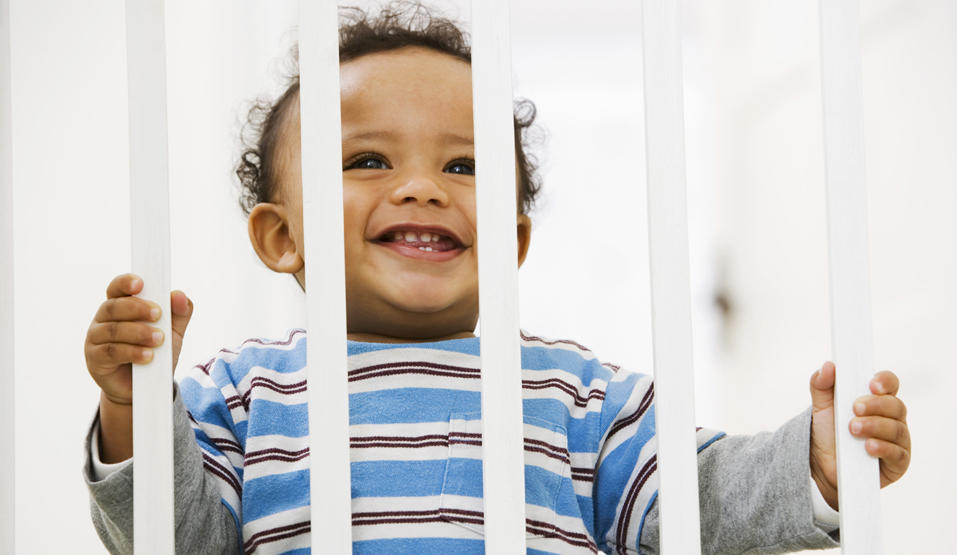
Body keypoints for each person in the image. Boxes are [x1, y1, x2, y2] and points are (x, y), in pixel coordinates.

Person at [82, 4, 911, 554]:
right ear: (281, 235)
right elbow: (173, 537)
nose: (423, 186)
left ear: (511, 240)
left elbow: (693, 499)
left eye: (465, 163)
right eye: (369, 159)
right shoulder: (242, 394)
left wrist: (814, 460)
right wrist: (132, 408)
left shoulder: (575, 397)